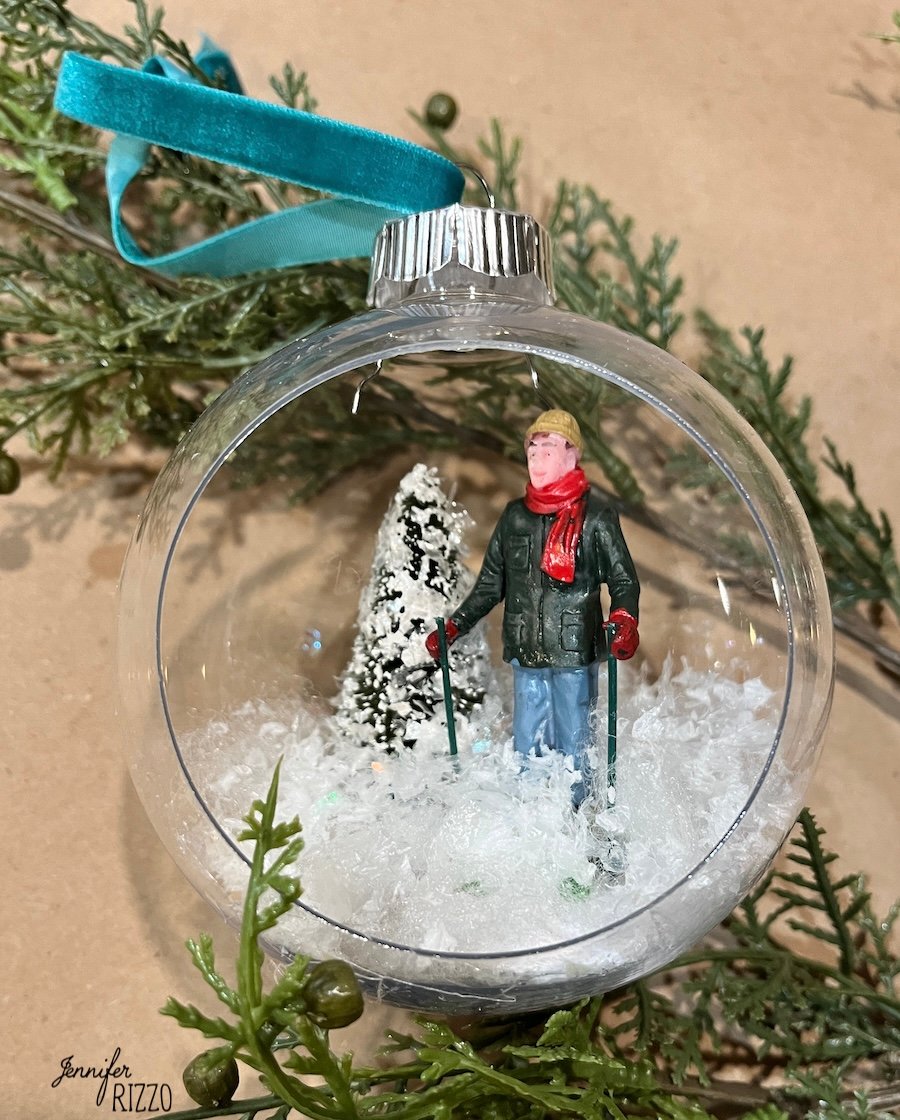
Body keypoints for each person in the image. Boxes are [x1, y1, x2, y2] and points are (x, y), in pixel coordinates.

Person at [426, 410, 640, 807]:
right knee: (528, 741)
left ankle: (577, 816)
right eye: (532, 449)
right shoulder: (514, 518)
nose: (537, 457)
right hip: (526, 650)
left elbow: (624, 580)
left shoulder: (596, 518)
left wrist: (624, 619)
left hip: (573, 648)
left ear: (572, 456)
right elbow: (491, 584)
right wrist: (455, 626)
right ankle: (531, 814)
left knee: (575, 741)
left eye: (548, 448)